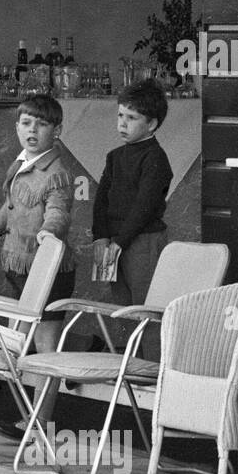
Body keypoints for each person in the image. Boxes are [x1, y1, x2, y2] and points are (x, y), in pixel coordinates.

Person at [0, 94, 77, 434]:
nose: (32, 130)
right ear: (17, 128)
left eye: (41, 124)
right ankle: (26, 413)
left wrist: (48, 233)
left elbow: (58, 210)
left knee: (45, 347)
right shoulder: (22, 161)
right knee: (16, 341)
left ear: (58, 130)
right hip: (20, 266)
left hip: (49, 271)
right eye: (26, 123)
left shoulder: (56, 173)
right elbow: (12, 206)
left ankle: (40, 422)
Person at [91, 82, 173, 310]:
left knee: (145, 308)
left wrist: (119, 242)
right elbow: (101, 201)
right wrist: (100, 236)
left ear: (151, 124)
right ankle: (128, 348)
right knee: (122, 308)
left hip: (142, 240)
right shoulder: (114, 157)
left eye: (132, 117)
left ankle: (151, 348)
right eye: (120, 115)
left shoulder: (155, 158)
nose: (122, 123)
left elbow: (144, 207)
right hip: (113, 241)